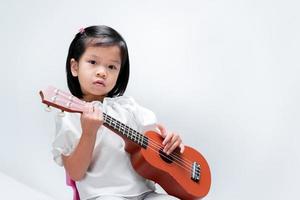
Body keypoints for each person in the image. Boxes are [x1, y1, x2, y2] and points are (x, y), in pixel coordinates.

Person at [52, 25, 185, 200]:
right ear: (75, 67)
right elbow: (75, 173)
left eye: (111, 67)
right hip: (104, 195)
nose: (102, 72)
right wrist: (89, 133)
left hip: (145, 193)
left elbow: (155, 140)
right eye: (93, 62)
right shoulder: (69, 115)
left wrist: (172, 146)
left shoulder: (128, 107)